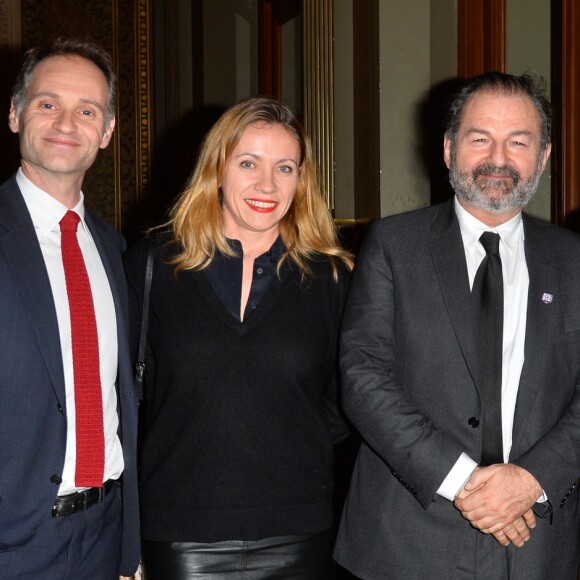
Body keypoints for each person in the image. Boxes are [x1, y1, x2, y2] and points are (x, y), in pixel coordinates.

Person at [333, 71, 580, 579]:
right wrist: (467, 483)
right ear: (448, 150)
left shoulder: (574, 259)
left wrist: (533, 480)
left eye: (518, 141)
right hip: (406, 543)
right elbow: (363, 377)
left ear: (544, 157)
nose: (498, 158)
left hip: (539, 544)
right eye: (479, 138)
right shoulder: (393, 246)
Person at [124, 96, 353, 579]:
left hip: (300, 533)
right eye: (248, 163)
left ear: (302, 180)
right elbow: (128, 398)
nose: (267, 184)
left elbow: (346, 400)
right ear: (216, 170)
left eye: (284, 167)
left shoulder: (332, 278)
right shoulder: (153, 266)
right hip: (183, 535)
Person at [0, 38, 140, 578]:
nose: (66, 122)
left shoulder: (114, 249)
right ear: (14, 114)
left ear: (106, 133)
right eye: (47, 103)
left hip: (103, 534)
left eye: (87, 111)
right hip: (14, 544)